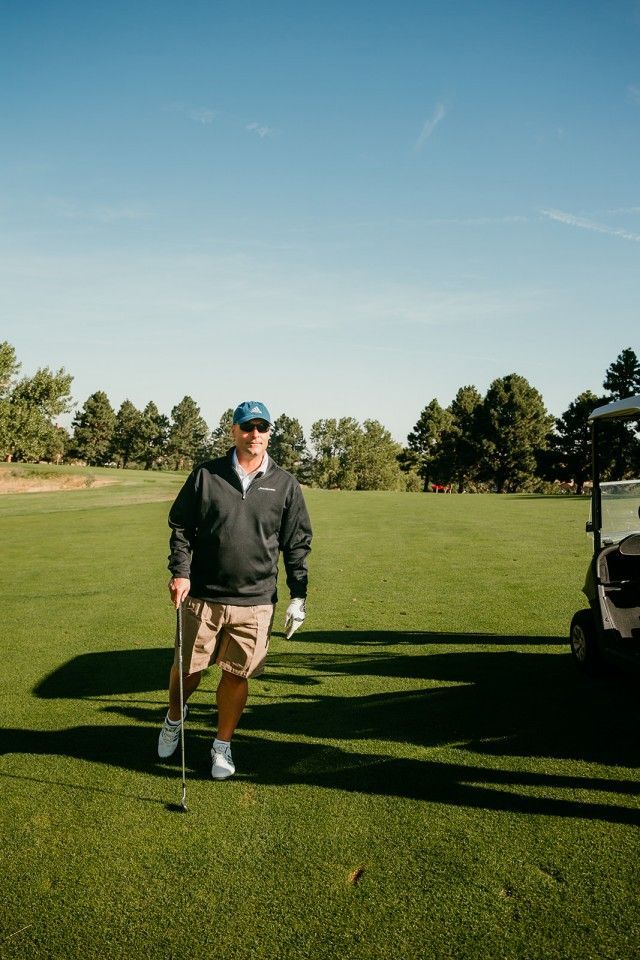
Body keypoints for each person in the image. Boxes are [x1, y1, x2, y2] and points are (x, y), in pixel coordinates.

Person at [157, 400, 312, 780]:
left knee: (236, 675)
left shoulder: (286, 484)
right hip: (203, 597)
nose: (254, 434)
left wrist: (299, 595)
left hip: (256, 602)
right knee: (188, 669)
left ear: (270, 433)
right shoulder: (206, 475)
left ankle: (222, 745)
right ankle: (175, 718)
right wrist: (181, 572)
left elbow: (296, 544)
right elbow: (181, 528)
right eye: (247, 427)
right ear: (234, 431)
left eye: (261, 427)